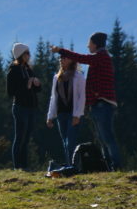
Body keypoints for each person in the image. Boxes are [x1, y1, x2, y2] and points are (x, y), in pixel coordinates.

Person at [51, 32, 121, 170]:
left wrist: (61, 50)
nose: (88, 45)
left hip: (102, 103)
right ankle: (109, 166)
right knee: (102, 139)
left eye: (89, 43)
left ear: (95, 44)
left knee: (107, 138)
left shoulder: (100, 57)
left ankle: (115, 166)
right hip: (99, 104)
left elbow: (81, 58)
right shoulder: (103, 57)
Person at [6, 42, 41, 170]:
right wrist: (27, 84)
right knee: (20, 137)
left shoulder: (28, 69)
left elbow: (36, 89)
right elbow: (11, 92)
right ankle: (18, 166)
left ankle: (24, 166)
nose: (29, 55)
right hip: (20, 107)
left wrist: (36, 84)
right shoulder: (13, 70)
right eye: (27, 53)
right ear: (21, 55)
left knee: (26, 138)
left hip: (31, 107)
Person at [46, 54, 85, 165]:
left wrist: (77, 115)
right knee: (65, 142)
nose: (61, 60)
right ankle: (70, 166)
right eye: (61, 58)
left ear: (72, 60)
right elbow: (54, 97)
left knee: (70, 142)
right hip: (61, 114)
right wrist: (50, 116)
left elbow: (82, 97)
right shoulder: (57, 77)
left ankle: (74, 166)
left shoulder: (79, 77)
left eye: (65, 58)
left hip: (73, 114)